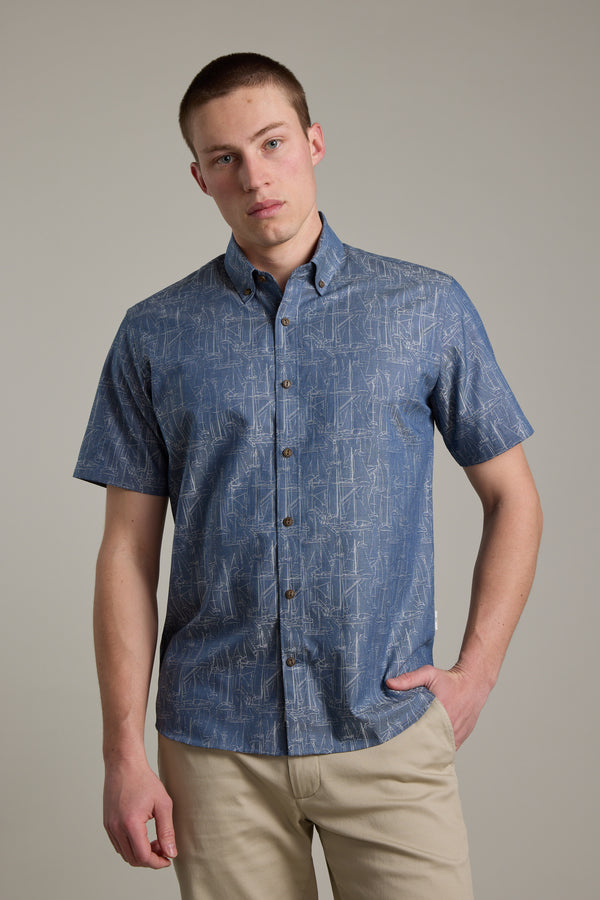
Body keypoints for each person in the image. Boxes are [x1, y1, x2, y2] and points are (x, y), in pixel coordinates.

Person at [75, 52, 542, 899]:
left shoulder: (426, 308)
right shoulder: (153, 334)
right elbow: (125, 553)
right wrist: (123, 755)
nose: (255, 176)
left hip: (386, 734)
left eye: (272, 143)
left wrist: (476, 673)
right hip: (216, 750)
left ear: (314, 142)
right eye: (226, 159)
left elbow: (514, 497)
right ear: (200, 178)